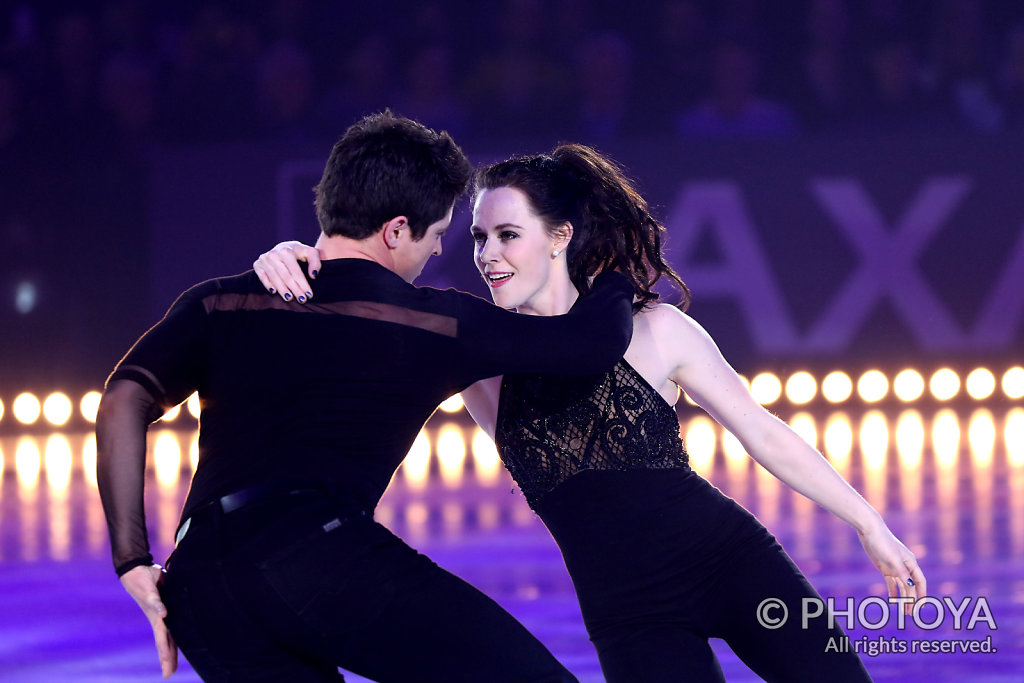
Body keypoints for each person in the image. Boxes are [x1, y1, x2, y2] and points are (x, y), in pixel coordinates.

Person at [258, 143, 926, 682]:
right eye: (480, 236)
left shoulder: (655, 329)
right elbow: (360, 325)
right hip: (627, 611)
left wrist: (869, 523)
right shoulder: (482, 366)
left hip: (732, 564)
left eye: (508, 235)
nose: (488, 255)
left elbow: (763, 433)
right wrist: (302, 260)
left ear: (560, 237)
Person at [96, 113, 638, 682]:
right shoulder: (433, 322)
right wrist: (616, 266)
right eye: (435, 238)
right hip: (316, 559)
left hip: (199, 587)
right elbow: (593, 344)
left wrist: (132, 559)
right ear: (397, 230)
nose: (433, 256)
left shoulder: (222, 301)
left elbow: (122, 399)